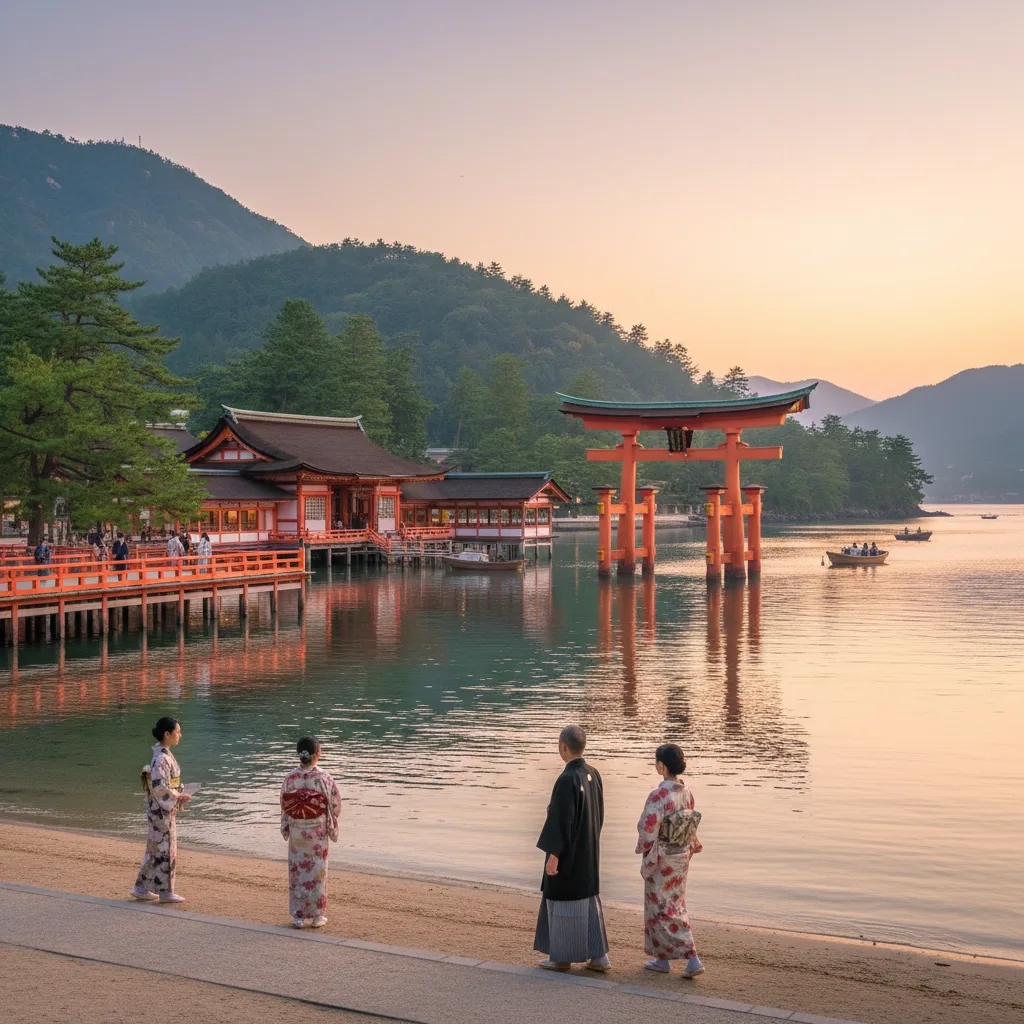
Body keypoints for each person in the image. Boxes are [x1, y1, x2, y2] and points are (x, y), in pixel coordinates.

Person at [534, 725, 610, 973]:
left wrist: (554, 854)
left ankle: (562, 959)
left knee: (562, 897)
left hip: (568, 851)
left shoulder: (567, 779)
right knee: (588, 900)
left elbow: (560, 819)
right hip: (587, 848)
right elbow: (598, 812)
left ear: (563, 746)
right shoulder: (593, 774)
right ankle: (599, 957)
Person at [636, 743, 705, 978]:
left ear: (661, 766)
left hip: (663, 857)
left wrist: (645, 847)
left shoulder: (659, 794)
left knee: (663, 907)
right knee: (674, 903)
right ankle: (661, 959)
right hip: (682, 855)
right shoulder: (686, 792)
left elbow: (647, 829)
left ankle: (692, 958)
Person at [280, 736, 342, 929]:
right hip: (317, 832)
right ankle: (316, 917)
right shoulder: (324, 778)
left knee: (297, 872)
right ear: (317, 754)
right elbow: (335, 803)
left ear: (300, 754)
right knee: (317, 874)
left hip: (298, 832)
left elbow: (285, 805)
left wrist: (287, 825)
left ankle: (298, 917)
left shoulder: (291, 778)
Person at [132, 717, 191, 903]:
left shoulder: (163, 756)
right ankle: (165, 892)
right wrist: (179, 796)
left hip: (160, 808)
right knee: (165, 849)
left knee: (156, 848)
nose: (180, 735)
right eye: (177, 732)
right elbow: (160, 788)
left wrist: (178, 793)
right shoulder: (162, 758)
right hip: (160, 810)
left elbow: (165, 786)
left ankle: (141, 887)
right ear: (167, 734)